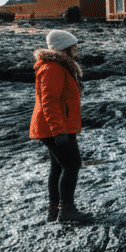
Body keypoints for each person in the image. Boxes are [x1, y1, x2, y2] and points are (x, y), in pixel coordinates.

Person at [29, 29, 92, 223]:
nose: (76, 49)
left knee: (58, 167)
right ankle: (67, 210)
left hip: (53, 126)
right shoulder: (53, 68)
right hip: (54, 127)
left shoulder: (56, 65)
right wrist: (59, 131)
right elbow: (49, 101)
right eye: (73, 46)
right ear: (65, 47)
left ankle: (54, 211)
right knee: (72, 165)